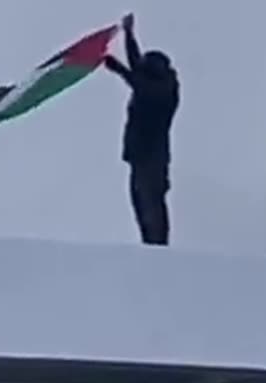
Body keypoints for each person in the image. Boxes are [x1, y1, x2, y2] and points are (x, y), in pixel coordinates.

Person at [103, 13, 179, 246]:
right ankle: (150, 244)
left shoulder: (166, 90)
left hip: (152, 158)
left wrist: (118, 69)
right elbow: (137, 67)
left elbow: (140, 82)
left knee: (151, 203)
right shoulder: (153, 81)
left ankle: (157, 247)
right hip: (141, 156)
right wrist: (129, 35)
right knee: (140, 202)